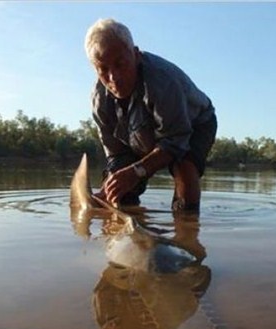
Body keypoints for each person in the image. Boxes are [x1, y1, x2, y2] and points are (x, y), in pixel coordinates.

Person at [84, 18, 217, 212]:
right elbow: (116, 154)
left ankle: (187, 230)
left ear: (136, 55)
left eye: (120, 64)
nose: (114, 78)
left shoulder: (162, 81)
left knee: (185, 171)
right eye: (103, 69)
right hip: (140, 134)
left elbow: (175, 142)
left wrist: (137, 171)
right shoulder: (99, 101)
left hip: (194, 123)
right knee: (117, 189)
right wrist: (114, 183)